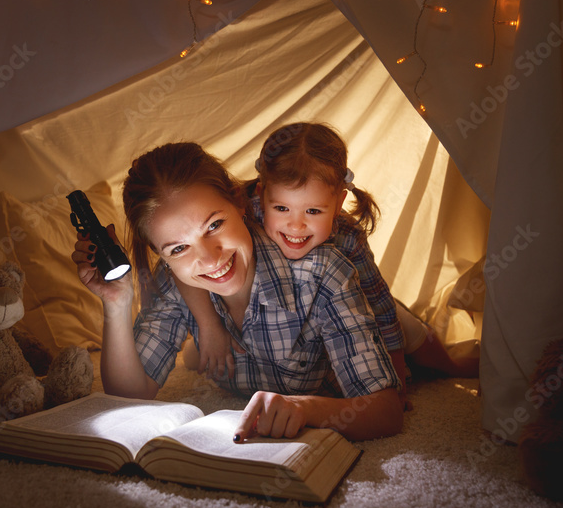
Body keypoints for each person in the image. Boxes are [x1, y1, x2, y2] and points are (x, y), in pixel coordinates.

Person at [72, 142, 402, 442]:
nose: (210, 258)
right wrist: (116, 303)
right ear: (161, 253)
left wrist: (306, 409)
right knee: (194, 357)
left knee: (410, 335)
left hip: (371, 304)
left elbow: (387, 411)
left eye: (214, 225)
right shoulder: (173, 281)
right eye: (179, 248)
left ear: (239, 202)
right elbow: (128, 396)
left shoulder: (323, 270)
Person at [178, 123, 478, 396]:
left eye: (313, 211)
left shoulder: (347, 236)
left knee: (404, 325)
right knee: (199, 356)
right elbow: (188, 264)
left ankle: (449, 364)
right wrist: (209, 327)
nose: (296, 226)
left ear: (338, 203)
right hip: (271, 315)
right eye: (282, 208)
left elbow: (380, 308)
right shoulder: (243, 215)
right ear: (261, 193)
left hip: (339, 306)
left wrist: (393, 385)